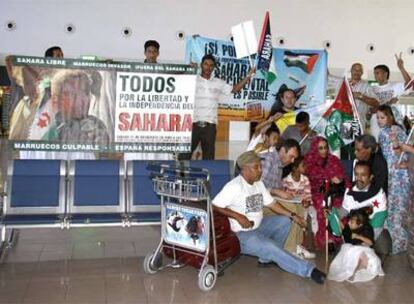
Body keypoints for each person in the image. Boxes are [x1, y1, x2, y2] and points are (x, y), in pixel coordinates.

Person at [212, 150, 326, 284]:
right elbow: (214, 205)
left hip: (259, 227)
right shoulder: (234, 186)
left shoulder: (258, 184)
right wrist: (237, 216)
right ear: (245, 169)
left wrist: (293, 215)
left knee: (284, 221)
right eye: (256, 167)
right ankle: (308, 271)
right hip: (241, 235)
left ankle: (266, 259)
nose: (260, 170)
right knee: (271, 247)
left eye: (260, 166)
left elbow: (272, 204)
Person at [191, 54, 255, 159]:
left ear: (214, 67)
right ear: (201, 65)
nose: (208, 67)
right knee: (184, 155)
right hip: (192, 125)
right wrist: (188, 69)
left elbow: (234, 89)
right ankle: (179, 175)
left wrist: (248, 75)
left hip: (209, 127)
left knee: (209, 158)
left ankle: (207, 175)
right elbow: (177, 80)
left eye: (211, 65)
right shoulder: (193, 79)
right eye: (206, 64)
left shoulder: (218, 83)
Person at [377, 105, 411, 254]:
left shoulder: (394, 131)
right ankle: (399, 243)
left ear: (391, 117)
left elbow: (403, 153)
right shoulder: (386, 131)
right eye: (377, 117)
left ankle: (399, 244)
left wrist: (396, 143)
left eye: (382, 117)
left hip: (398, 175)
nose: (379, 120)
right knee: (397, 208)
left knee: (397, 209)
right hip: (393, 174)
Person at [304, 136, 349, 250]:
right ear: (315, 149)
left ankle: (336, 237)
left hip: (334, 191)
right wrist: (328, 177)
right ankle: (325, 239)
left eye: (325, 147)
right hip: (317, 192)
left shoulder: (333, 160)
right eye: (320, 148)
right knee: (322, 206)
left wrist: (339, 179)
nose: (324, 150)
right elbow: (310, 179)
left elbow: (342, 176)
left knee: (339, 204)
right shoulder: (308, 161)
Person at [45, 70, 109, 146]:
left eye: (85, 92)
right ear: (55, 100)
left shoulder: (97, 125)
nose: (80, 100)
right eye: (71, 94)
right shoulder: (49, 128)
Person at [327, 209, 384, 282]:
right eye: (350, 221)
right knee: (350, 252)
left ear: (360, 224)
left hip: (364, 249)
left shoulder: (367, 228)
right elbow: (343, 229)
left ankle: (355, 271)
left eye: (352, 222)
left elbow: (370, 242)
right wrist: (335, 217)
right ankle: (352, 269)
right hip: (352, 248)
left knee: (361, 255)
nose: (349, 223)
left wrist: (358, 237)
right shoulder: (349, 226)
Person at [282, 156, 317, 258]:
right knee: (299, 213)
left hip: (304, 204)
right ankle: (296, 245)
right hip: (292, 206)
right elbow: (285, 197)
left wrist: (307, 202)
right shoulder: (286, 180)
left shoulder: (305, 179)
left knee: (313, 212)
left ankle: (301, 243)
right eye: (303, 165)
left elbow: (308, 195)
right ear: (295, 168)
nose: (306, 167)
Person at [370, 56, 411, 139]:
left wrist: (401, 68)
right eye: (374, 73)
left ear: (385, 74)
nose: (375, 75)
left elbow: (409, 84)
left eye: (377, 73)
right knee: (378, 146)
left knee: (393, 146)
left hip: (392, 123)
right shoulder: (372, 89)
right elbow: (370, 108)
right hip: (376, 124)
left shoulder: (394, 86)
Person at [350, 134, 388, 201]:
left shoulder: (379, 164)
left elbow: (376, 191)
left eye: (358, 150)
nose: (355, 152)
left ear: (369, 149)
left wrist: (351, 194)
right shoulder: (365, 159)